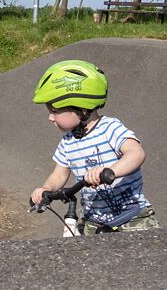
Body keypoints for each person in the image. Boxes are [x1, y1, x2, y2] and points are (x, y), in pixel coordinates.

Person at [29, 60, 159, 235]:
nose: (50, 117)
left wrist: (109, 171)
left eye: (55, 111)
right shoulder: (67, 141)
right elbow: (59, 174)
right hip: (94, 220)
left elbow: (136, 153)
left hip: (132, 216)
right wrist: (46, 189)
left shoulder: (110, 128)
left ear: (82, 108)